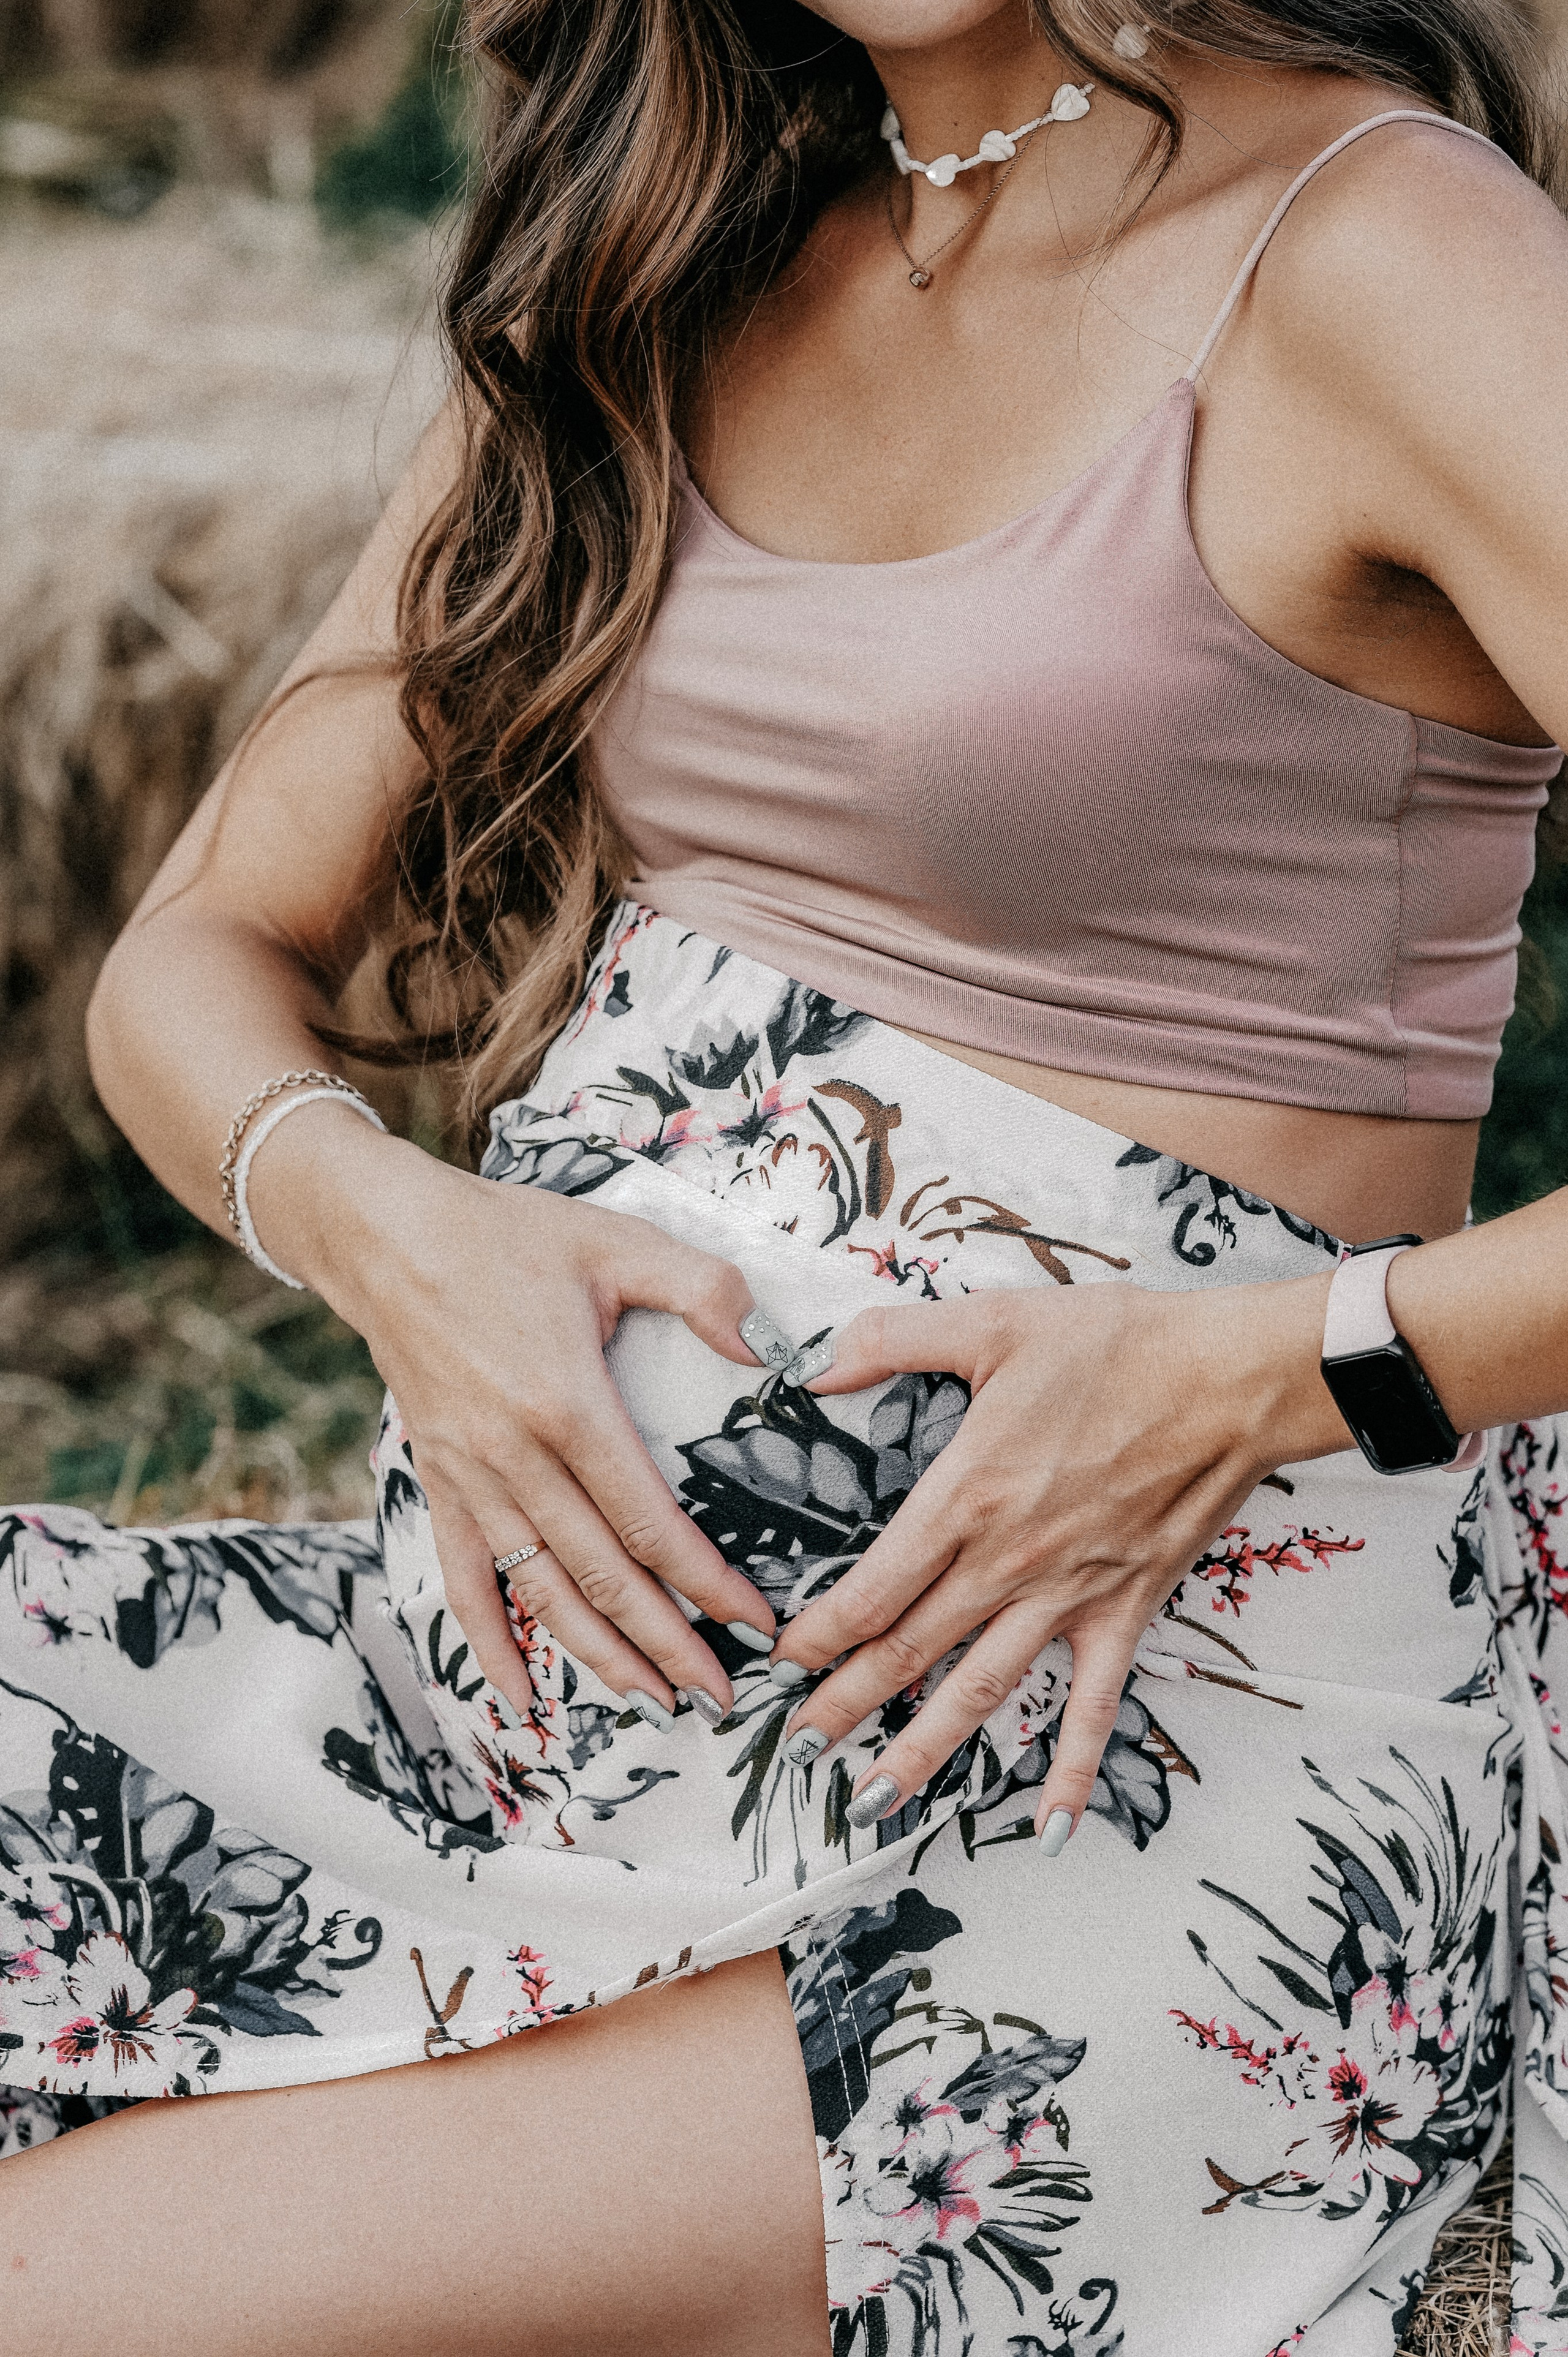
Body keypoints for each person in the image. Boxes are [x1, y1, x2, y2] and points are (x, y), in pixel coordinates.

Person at [3, 1, 1568, 2349]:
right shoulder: (663, 257)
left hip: (1107, 1770)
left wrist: (1279, 1374)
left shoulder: (1381, 250)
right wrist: (399, 1236)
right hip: (508, 1731)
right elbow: (198, 957)